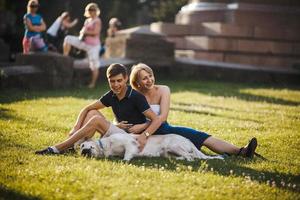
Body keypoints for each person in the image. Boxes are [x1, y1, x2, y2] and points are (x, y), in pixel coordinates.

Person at [129, 63, 258, 158]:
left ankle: (241, 151)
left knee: (199, 136)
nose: (149, 80)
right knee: (196, 136)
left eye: (150, 76)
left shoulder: (164, 90)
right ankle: (241, 151)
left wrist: (144, 128)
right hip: (143, 132)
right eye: (144, 78)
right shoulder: (134, 95)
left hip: (163, 128)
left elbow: (162, 118)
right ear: (137, 82)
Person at [35, 63, 161, 155]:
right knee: (92, 112)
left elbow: (156, 120)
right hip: (118, 131)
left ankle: (57, 148)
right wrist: (75, 127)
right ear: (108, 80)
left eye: (119, 81)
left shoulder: (136, 96)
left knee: (96, 119)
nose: (116, 85)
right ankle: (74, 144)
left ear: (126, 79)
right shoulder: (111, 95)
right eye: (112, 81)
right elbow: (86, 108)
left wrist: (144, 135)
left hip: (130, 138)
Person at [63, 3, 102, 88]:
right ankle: (65, 58)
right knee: (68, 38)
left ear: (96, 11)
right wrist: (82, 33)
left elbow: (96, 32)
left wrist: (85, 32)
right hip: (84, 42)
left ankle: (92, 84)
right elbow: (82, 31)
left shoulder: (97, 20)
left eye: (93, 9)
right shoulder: (87, 21)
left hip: (94, 46)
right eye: (90, 9)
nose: (92, 11)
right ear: (87, 11)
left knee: (94, 65)